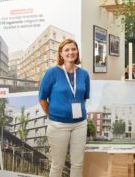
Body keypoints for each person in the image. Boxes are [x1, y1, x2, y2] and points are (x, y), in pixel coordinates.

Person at [39, 39, 90, 177]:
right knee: (57, 165)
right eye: (66, 50)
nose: (70, 52)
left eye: (73, 49)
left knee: (78, 163)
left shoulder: (84, 74)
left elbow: (83, 97)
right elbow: (42, 98)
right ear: (61, 54)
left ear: (77, 52)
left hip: (80, 124)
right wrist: (52, 115)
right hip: (58, 125)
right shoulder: (52, 72)